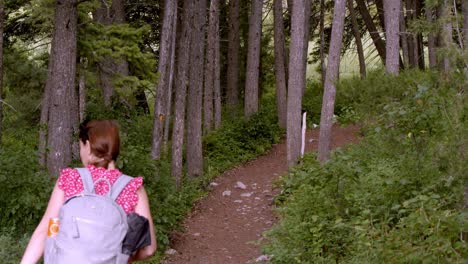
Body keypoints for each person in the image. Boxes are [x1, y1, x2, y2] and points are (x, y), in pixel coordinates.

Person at [21, 119, 157, 263]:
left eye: (81, 146)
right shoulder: (133, 187)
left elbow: (44, 232)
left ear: (87, 145)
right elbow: (149, 249)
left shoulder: (71, 178)